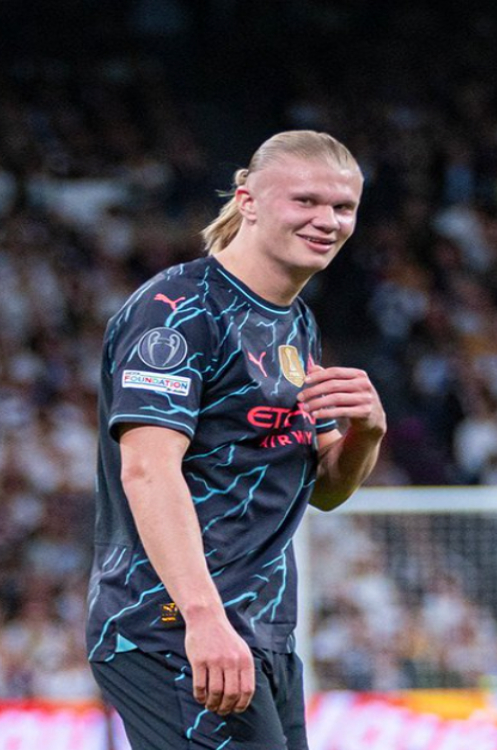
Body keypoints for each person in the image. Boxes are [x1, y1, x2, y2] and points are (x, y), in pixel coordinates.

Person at [86, 130, 386, 749]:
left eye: (343, 207)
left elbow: (326, 491)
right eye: (305, 201)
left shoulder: (296, 322)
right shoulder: (176, 310)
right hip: (172, 626)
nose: (327, 220)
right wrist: (202, 618)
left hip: (261, 630)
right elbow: (147, 471)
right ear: (247, 200)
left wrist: (366, 432)